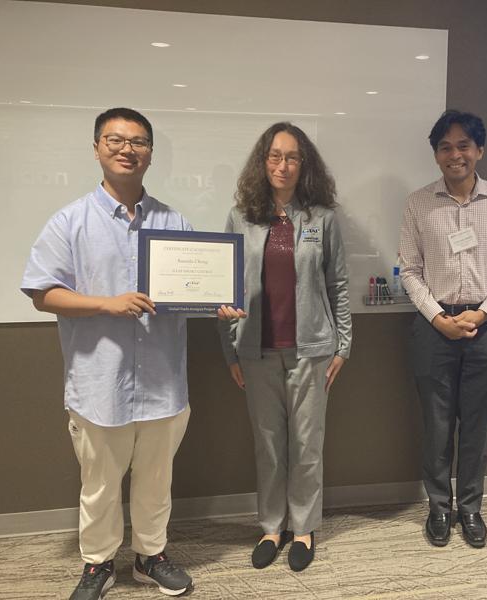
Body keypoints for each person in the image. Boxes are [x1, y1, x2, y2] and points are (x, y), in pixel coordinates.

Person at [21, 107, 243, 600]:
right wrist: (107, 303)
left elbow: (193, 286)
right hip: (100, 383)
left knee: (156, 481)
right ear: (97, 148)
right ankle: (98, 565)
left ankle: (150, 557)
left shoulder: (173, 222)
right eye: (115, 140)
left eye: (138, 141)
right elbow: (42, 293)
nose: (127, 149)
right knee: (99, 485)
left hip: (163, 383)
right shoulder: (69, 222)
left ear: (150, 153)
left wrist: (218, 303)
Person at [218, 122, 352, 572]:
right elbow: (225, 289)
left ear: (303, 163)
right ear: (263, 161)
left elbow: (338, 285)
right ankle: (271, 528)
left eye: (292, 156)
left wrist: (343, 345)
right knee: (269, 445)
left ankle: (304, 528)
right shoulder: (241, 217)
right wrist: (231, 351)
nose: (282, 165)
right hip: (256, 350)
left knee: (307, 445)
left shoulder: (322, 218)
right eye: (274, 156)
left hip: (312, 350)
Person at [399, 109, 487, 548]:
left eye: (463, 146)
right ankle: (439, 505)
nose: (455, 155)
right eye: (445, 147)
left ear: (480, 150)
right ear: (436, 155)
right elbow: (410, 271)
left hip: (485, 328)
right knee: (436, 426)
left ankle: (470, 506)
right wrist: (438, 317)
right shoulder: (418, 203)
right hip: (434, 328)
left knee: (477, 424)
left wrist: (483, 313)